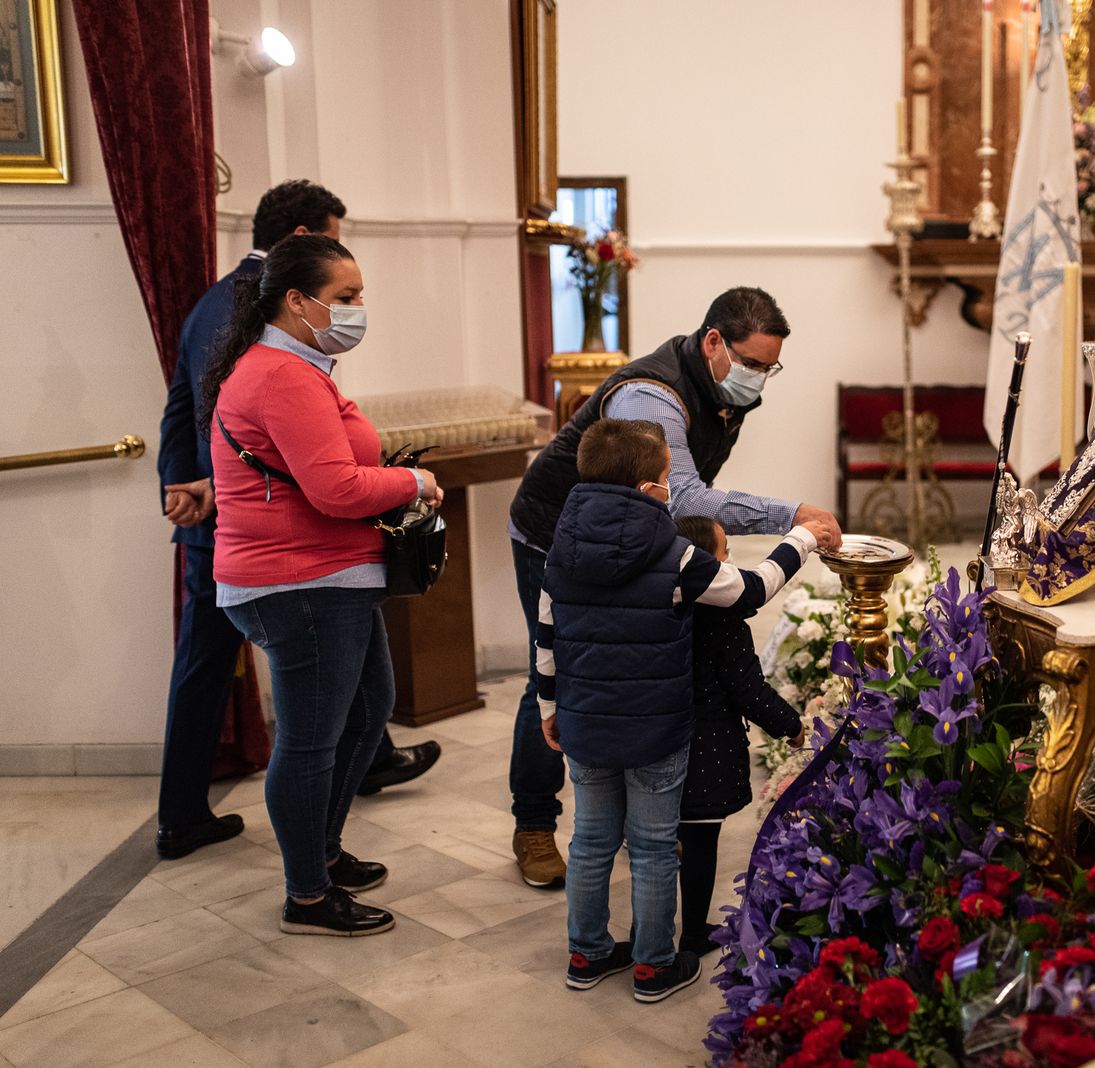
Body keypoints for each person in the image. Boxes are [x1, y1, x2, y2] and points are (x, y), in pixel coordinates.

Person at [507, 286, 843, 890]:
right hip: (557, 537)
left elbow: (674, 500)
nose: (761, 379)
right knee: (559, 675)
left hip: (638, 539)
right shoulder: (649, 397)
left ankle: (642, 822)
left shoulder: (716, 388)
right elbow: (683, 497)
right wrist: (792, 517)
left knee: (651, 664)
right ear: (714, 341)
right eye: (754, 364)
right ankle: (534, 822)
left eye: (772, 368)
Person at [156, 180, 439, 860]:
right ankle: (297, 865)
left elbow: (187, 412)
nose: (356, 308)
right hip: (274, 545)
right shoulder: (266, 339)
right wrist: (411, 480)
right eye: (346, 293)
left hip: (248, 514)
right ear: (303, 249)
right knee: (303, 720)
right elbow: (323, 477)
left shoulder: (222, 308)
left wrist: (191, 481)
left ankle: (258, 826)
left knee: (350, 703)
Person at [536, 418, 826, 1001]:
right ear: (648, 489)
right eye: (668, 477)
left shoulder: (558, 550)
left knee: (590, 842)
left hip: (586, 720)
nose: (671, 488)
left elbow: (546, 636)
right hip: (657, 728)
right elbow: (747, 590)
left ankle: (586, 954)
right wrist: (803, 539)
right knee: (649, 845)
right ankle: (652, 965)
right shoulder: (672, 554)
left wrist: (549, 707)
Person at [672, 516, 803, 958]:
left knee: (665, 842)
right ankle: (691, 935)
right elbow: (748, 690)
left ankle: (652, 932)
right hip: (706, 748)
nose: (730, 560)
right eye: (725, 551)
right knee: (700, 845)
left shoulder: (664, 610)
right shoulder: (724, 621)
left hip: (663, 741)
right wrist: (793, 726)